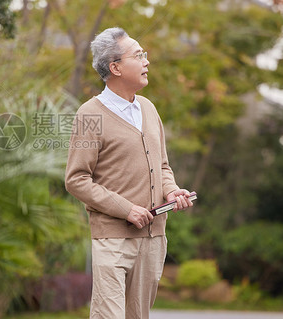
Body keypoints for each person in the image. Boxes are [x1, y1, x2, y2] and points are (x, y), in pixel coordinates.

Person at [65, 27, 194, 318]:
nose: (147, 61)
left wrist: (171, 191)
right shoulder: (89, 115)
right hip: (112, 239)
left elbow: (161, 166)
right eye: (139, 55)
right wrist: (126, 209)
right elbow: (76, 179)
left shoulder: (149, 109)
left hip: (153, 238)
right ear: (115, 67)